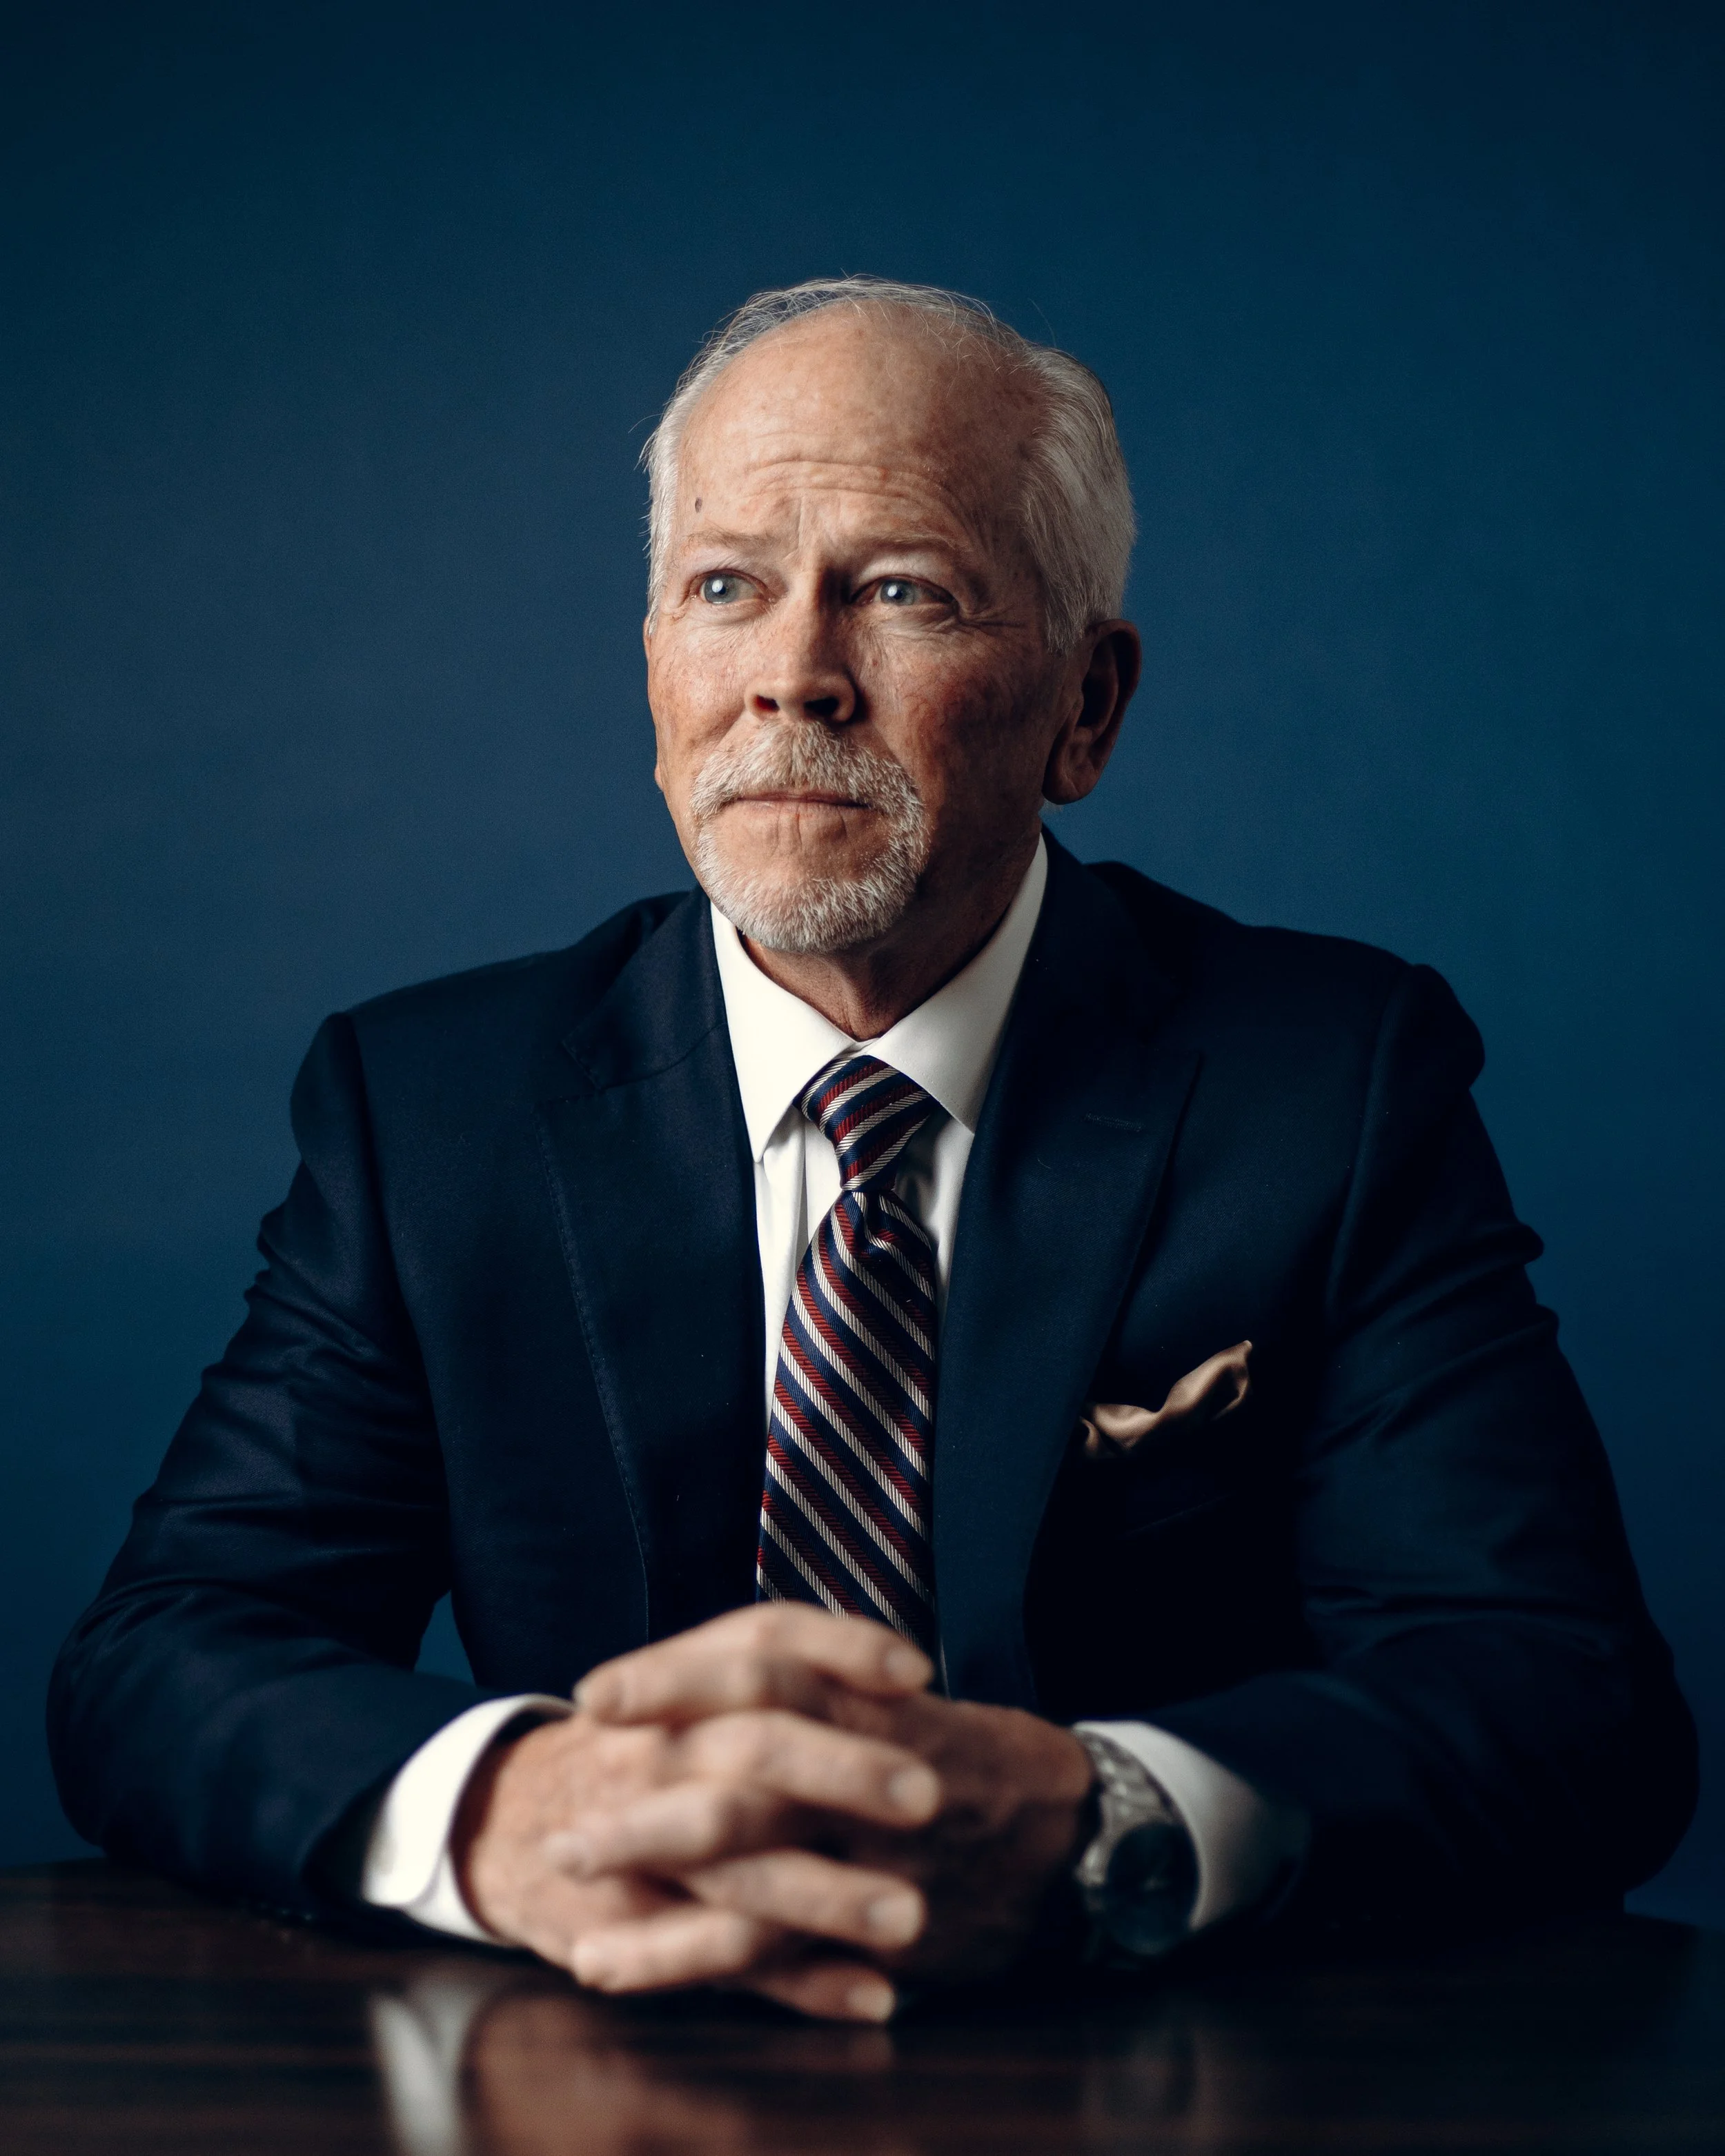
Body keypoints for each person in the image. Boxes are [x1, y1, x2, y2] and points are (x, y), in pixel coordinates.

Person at [50, 278, 1695, 2024]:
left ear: (1085, 705)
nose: (793, 676)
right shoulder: (427, 1110)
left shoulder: (1331, 1084)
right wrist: (512, 1808)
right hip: (594, 2070)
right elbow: (164, 1656)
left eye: (901, 590)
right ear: (656, 673)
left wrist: (1099, 1821)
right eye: (723, 588)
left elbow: (1560, 1700)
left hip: (1145, 2075)